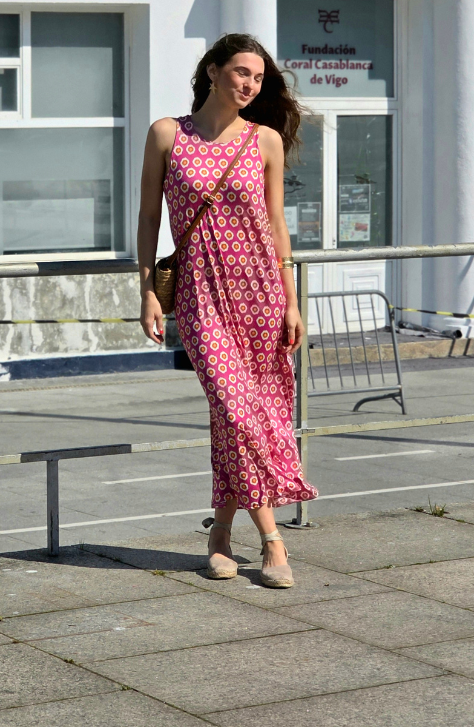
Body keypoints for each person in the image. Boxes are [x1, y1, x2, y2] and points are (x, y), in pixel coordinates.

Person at [137, 33, 318, 587]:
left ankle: (219, 533)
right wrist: (147, 289)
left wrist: (291, 300)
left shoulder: (265, 141)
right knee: (238, 409)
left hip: (260, 292)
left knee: (242, 416)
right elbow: (148, 219)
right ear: (212, 70)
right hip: (198, 295)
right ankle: (272, 540)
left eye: (259, 78)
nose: (250, 84)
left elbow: (277, 226)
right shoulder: (168, 134)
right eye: (241, 72)